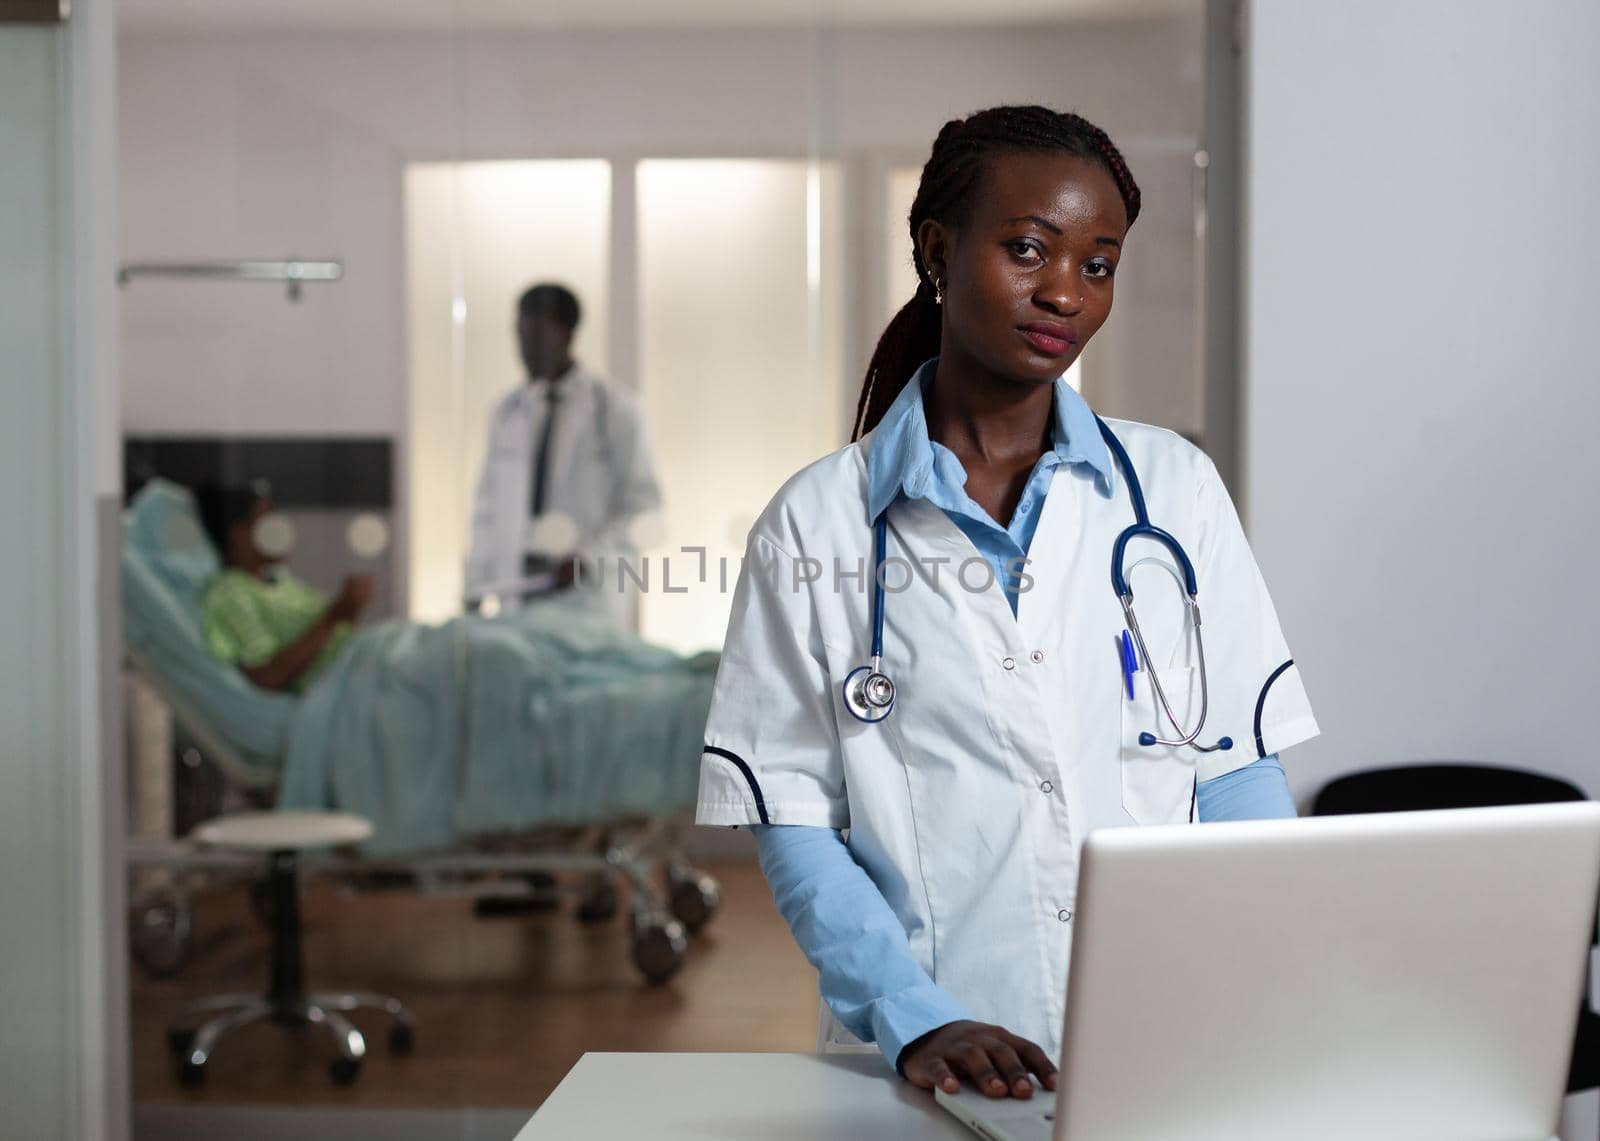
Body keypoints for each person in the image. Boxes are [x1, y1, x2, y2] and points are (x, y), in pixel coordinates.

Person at [694, 106, 1318, 1101]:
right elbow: (797, 821)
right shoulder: (816, 521)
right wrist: (914, 1014)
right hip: (933, 1055)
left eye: (1098, 263)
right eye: (1027, 248)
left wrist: (1270, 976)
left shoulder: (1174, 490)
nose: (1064, 291)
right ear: (937, 251)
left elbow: (1239, 771)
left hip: (1168, 1035)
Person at [465, 283, 662, 621]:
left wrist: (587, 559)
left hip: (587, 599)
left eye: (538, 336)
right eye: (521, 336)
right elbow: (488, 508)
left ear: (567, 333)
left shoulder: (614, 409)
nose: (527, 349)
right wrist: (476, 583)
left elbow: (644, 510)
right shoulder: (509, 412)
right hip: (519, 590)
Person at [196, 483, 374, 693]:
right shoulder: (230, 593)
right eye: (268, 522)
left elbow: (332, 643)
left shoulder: (282, 584)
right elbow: (267, 676)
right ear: (238, 534)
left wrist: (350, 610)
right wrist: (335, 615)